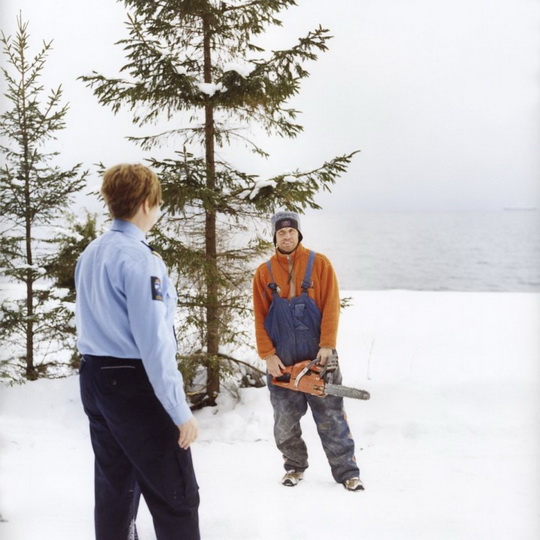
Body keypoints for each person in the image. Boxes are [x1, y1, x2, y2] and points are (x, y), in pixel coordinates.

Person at [75, 164, 200, 539]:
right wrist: (180, 411)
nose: (158, 212)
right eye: (158, 204)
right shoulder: (139, 259)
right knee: (175, 495)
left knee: (116, 488)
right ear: (146, 203)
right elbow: (154, 342)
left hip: (96, 378)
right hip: (134, 384)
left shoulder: (92, 253)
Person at [252, 211, 364, 491]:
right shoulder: (264, 273)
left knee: (331, 419)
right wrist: (268, 354)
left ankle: (348, 473)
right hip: (282, 360)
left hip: (319, 356)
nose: (286, 236)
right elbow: (259, 316)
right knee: (284, 424)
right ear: (275, 236)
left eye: (291, 231)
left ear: (299, 234)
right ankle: (293, 467)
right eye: (281, 232)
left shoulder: (320, 264)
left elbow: (330, 306)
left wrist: (327, 344)